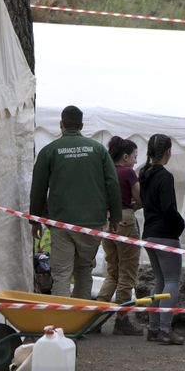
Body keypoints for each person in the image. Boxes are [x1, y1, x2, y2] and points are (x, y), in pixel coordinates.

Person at [29, 105, 121, 299]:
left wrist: (35, 220)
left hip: (62, 222)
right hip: (92, 223)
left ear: (61, 125)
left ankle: (62, 316)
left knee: (61, 273)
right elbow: (112, 184)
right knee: (84, 270)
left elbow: (38, 188)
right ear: (81, 125)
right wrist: (115, 217)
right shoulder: (98, 150)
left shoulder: (49, 151)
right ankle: (81, 315)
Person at [139, 133, 185, 345]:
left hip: (149, 232)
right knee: (172, 281)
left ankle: (154, 327)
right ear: (168, 152)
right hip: (165, 234)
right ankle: (165, 329)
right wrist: (180, 224)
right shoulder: (165, 176)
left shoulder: (144, 173)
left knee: (159, 280)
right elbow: (168, 208)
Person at [95, 136, 143, 333]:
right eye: (134, 157)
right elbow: (139, 198)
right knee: (127, 271)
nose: (135, 161)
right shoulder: (128, 172)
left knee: (112, 272)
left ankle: (95, 319)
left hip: (106, 221)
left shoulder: (105, 171)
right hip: (125, 220)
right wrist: (134, 205)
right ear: (125, 157)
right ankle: (122, 319)